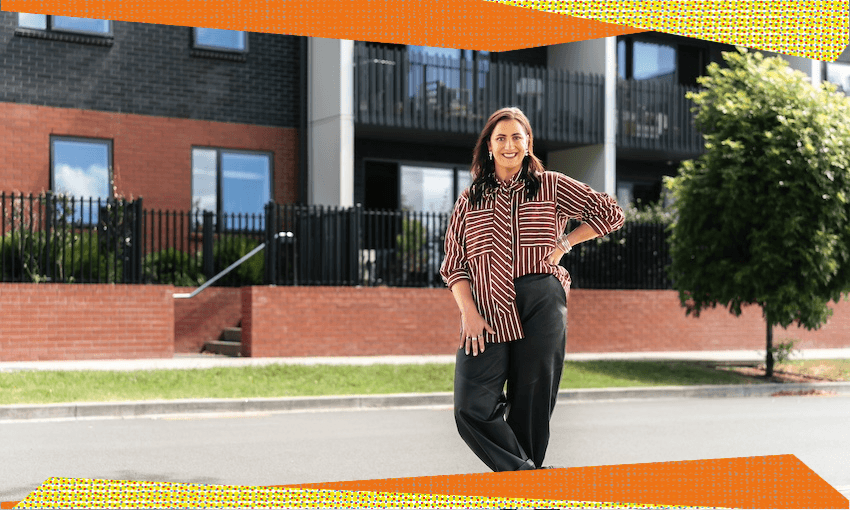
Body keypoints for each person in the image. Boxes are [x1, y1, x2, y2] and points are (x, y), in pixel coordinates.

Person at [439, 107, 624, 472]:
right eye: (501, 138)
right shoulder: (470, 199)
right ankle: (529, 477)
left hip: (541, 298)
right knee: (469, 407)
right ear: (489, 147)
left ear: (528, 144)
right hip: (486, 308)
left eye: (517, 137)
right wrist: (468, 312)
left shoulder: (550, 184)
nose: (509, 145)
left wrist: (566, 243)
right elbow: (454, 263)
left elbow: (610, 212)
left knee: (532, 403)